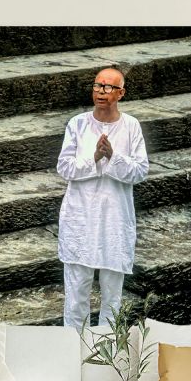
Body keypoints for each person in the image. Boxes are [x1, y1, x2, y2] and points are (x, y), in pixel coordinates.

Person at [56, 67, 149, 329]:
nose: (101, 92)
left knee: (112, 299)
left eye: (108, 87)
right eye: (97, 85)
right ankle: (75, 356)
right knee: (76, 297)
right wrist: (94, 157)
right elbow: (64, 167)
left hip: (114, 222)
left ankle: (107, 362)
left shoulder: (131, 127)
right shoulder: (78, 124)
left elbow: (140, 171)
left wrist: (113, 156)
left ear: (121, 93)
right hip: (81, 219)